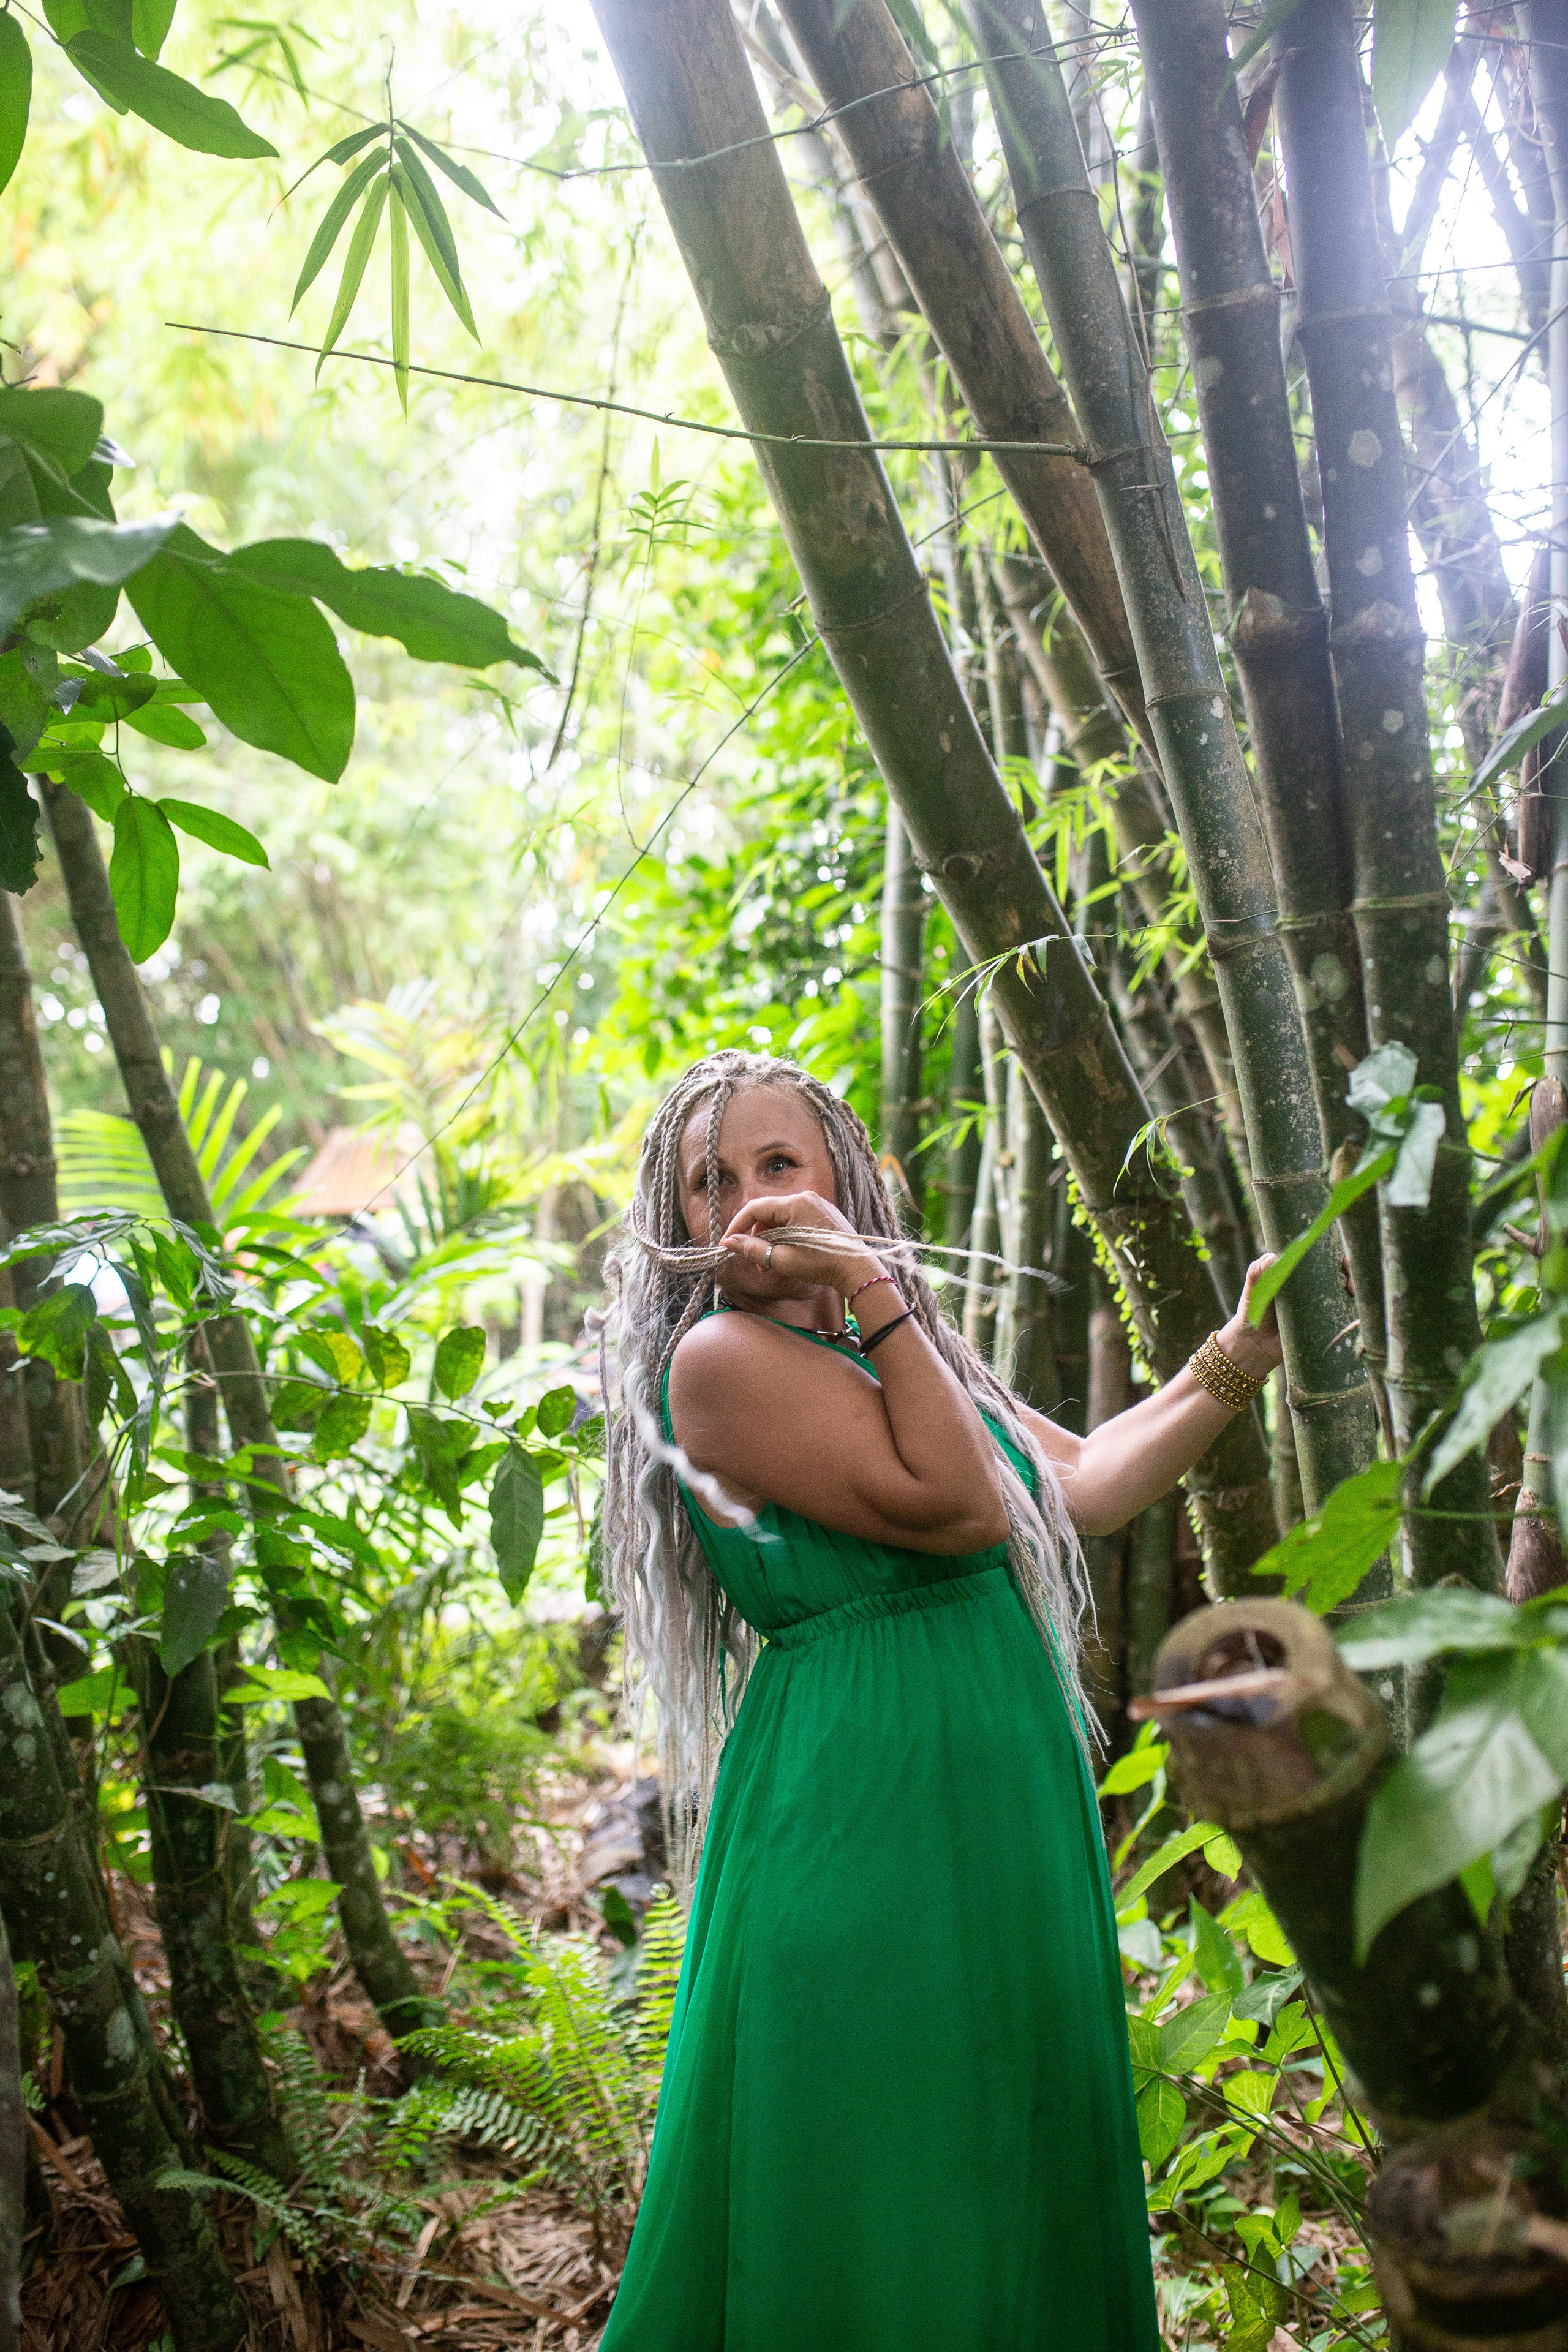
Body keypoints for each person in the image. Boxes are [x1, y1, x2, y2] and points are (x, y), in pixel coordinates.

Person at [594, 1049, 1281, 2351]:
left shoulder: (901, 1352)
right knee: (891, 2181)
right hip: (862, 1814)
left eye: (777, 1164)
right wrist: (865, 1278)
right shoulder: (719, 1364)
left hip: (995, 1802)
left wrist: (1232, 1358)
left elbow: (1073, 1488)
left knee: (999, 2148)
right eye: (708, 1182)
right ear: (673, 1224)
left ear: (840, 1176)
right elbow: (961, 1508)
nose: (745, 1199)